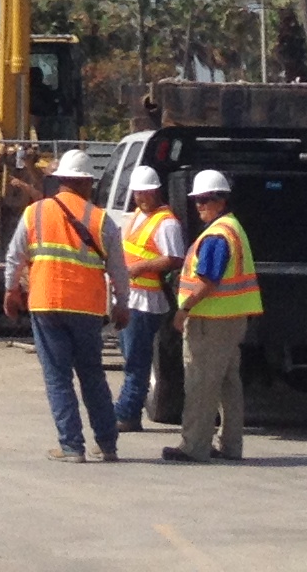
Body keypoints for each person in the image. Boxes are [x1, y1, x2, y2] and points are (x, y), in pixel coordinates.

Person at [3, 148, 130, 463]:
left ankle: (72, 446)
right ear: (88, 183)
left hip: (46, 303)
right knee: (92, 375)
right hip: (87, 308)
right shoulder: (102, 220)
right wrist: (122, 303)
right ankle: (107, 444)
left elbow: (14, 256)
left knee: (58, 376)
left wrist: (10, 291)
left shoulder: (35, 213)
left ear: (60, 181)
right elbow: (119, 269)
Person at [164, 167, 259, 463]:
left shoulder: (217, 235)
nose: (199, 206)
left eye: (205, 200)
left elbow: (208, 280)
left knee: (201, 384)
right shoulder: (233, 228)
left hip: (211, 321)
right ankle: (230, 446)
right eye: (197, 200)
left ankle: (194, 447)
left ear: (221, 201)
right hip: (232, 320)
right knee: (229, 384)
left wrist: (184, 309)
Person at [113, 165, 181, 433]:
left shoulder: (167, 223)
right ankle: (126, 410)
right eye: (137, 193)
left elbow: (174, 258)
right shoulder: (137, 216)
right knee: (130, 357)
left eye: (145, 193)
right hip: (130, 297)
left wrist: (141, 268)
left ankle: (127, 413)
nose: (140, 198)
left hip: (146, 301)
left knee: (137, 361)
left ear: (156, 192)